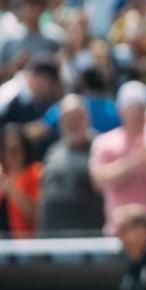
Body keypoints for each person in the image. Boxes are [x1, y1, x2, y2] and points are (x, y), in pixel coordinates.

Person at [88, 80, 146, 233]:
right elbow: (97, 180)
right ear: (120, 110)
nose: (135, 113)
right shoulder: (103, 142)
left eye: (140, 108)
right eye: (130, 108)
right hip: (117, 231)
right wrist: (128, 164)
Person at [38, 94, 104, 235]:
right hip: (53, 237)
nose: (72, 124)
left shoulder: (101, 147)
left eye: (77, 118)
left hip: (90, 238)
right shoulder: (53, 151)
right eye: (68, 119)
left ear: (88, 119)